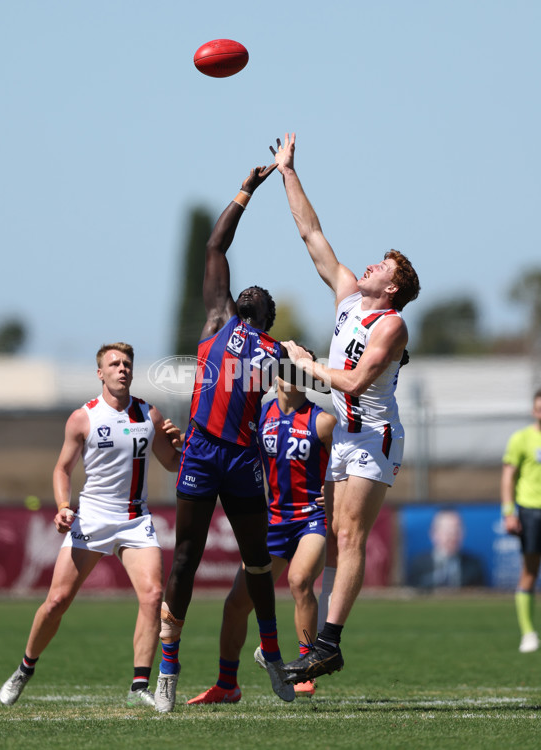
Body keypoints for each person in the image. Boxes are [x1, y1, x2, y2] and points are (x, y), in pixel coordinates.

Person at [271, 132, 420, 684]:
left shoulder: (392, 323)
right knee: (333, 534)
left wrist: (306, 365)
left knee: (350, 535)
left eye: (382, 266)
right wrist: (288, 172)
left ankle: (328, 645)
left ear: (394, 287)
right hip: (345, 437)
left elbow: (355, 383)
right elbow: (311, 232)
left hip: (373, 434)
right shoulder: (349, 298)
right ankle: (319, 647)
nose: (371, 266)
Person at [155, 163, 296, 713]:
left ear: (264, 315)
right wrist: (247, 189)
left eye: (260, 294)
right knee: (185, 557)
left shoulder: (276, 352)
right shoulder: (218, 318)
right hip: (201, 450)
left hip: (241, 460)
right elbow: (216, 245)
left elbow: (316, 379)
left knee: (258, 560)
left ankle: (273, 654)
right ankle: (168, 669)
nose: (252, 287)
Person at [0, 342, 182, 709]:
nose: (122, 368)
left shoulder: (149, 414)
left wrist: (180, 443)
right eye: (114, 363)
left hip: (134, 519)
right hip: (93, 518)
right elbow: (61, 469)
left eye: (127, 363)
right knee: (56, 602)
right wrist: (64, 506)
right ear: (100, 373)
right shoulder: (83, 417)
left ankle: (139, 687)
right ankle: (24, 668)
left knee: (151, 595)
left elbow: (173, 464)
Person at [187, 365, 336, 704]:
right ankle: (227, 684)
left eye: (298, 368)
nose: (287, 373)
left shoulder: (323, 420)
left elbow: (349, 460)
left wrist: (337, 488)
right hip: (273, 522)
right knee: (236, 603)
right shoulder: (258, 413)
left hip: (311, 519)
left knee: (299, 581)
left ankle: (305, 670)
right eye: (283, 366)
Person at [501, 388, 541, 653]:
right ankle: (528, 633)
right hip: (531, 510)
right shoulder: (521, 439)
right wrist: (509, 511)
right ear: (533, 410)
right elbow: (508, 476)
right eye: (539, 408)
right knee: (529, 572)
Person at [407, 509, 486, 588]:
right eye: (447, 531)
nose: (452, 536)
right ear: (434, 533)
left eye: (456, 530)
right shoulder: (418, 564)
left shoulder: (474, 565)